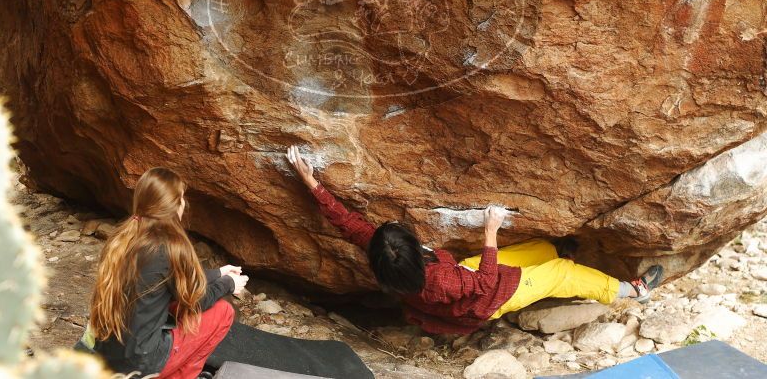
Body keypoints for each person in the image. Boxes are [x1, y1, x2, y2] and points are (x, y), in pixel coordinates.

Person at [286, 145, 664, 335]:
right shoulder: (439, 279)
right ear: (416, 256)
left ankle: (554, 252)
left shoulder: (388, 261)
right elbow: (484, 281)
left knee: (539, 251)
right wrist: (489, 233)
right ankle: (630, 291)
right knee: (561, 273)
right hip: (488, 296)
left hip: (467, 281)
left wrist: (312, 183)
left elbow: (350, 225)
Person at [88, 167, 249, 378]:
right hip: (140, 362)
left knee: (172, 302)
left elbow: (166, 277)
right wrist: (229, 284)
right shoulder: (170, 245)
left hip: (108, 355)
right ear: (174, 205)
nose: (184, 204)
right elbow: (196, 300)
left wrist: (218, 273)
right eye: (181, 198)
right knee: (222, 312)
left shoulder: (123, 237)